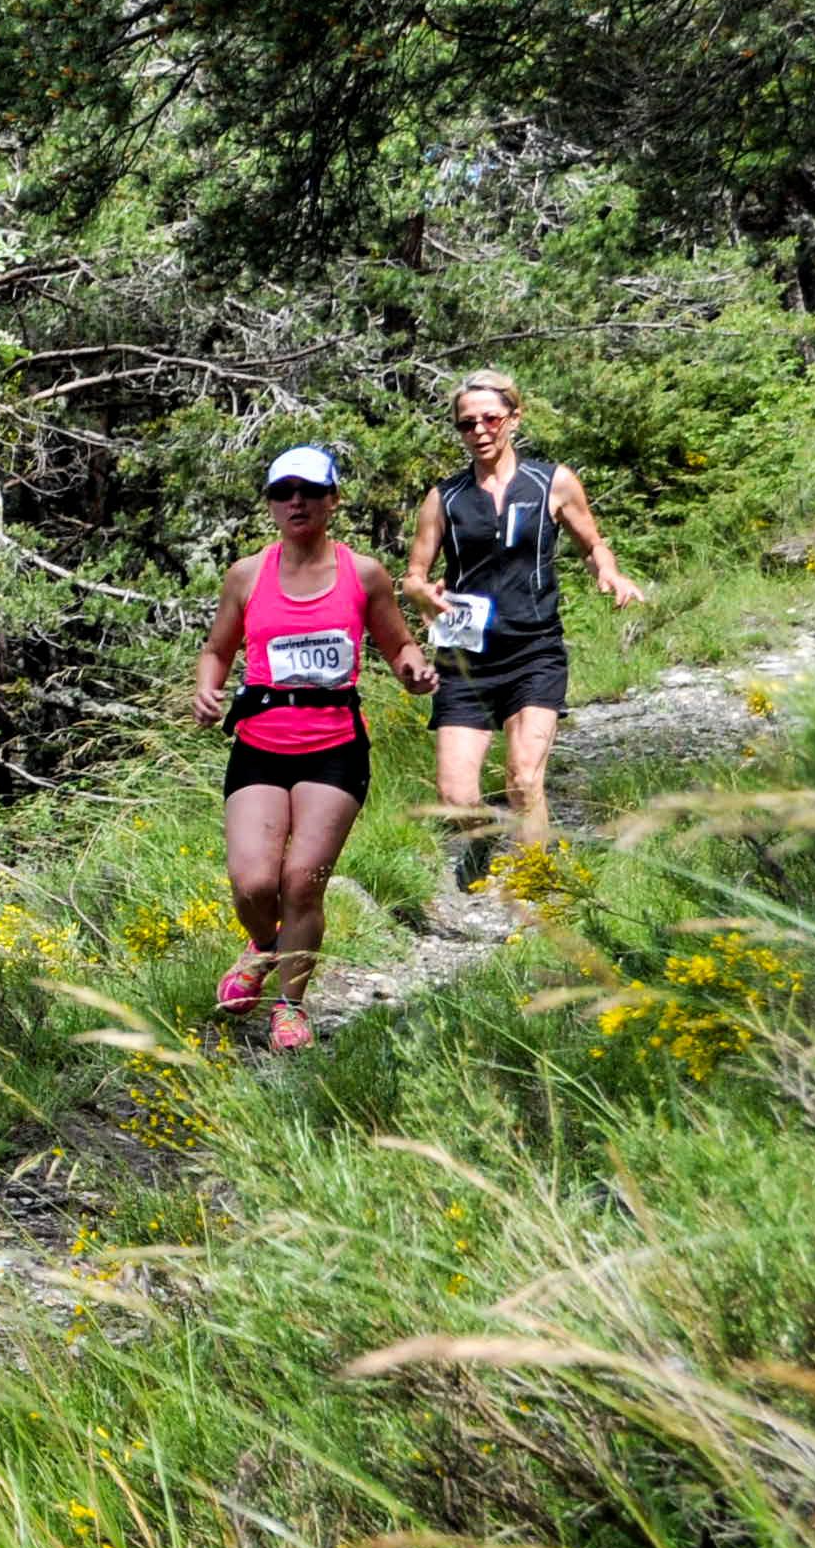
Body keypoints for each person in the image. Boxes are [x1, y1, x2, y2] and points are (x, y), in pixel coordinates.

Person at [194, 444, 436, 1053]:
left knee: (302, 880)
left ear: (333, 500)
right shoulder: (247, 575)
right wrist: (206, 690)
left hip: (335, 745)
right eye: (283, 492)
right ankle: (265, 946)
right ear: (272, 504)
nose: (295, 502)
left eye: (309, 491)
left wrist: (413, 671)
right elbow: (218, 649)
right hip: (260, 742)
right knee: (253, 883)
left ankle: (290, 1006)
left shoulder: (364, 574)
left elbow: (398, 645)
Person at [401, 371, 644, 881]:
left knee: (524, 778)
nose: (479, 431)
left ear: (514, 417)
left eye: (490, 419)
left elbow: (592, 543)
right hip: (465, 657)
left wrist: (609, 572)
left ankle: (541, 885)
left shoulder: (552, 482)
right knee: (455, 796)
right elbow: (415, 575)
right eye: (467, 424)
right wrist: (421, 593)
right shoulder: (443, 498)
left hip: (534, 650)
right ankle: (483, 840)